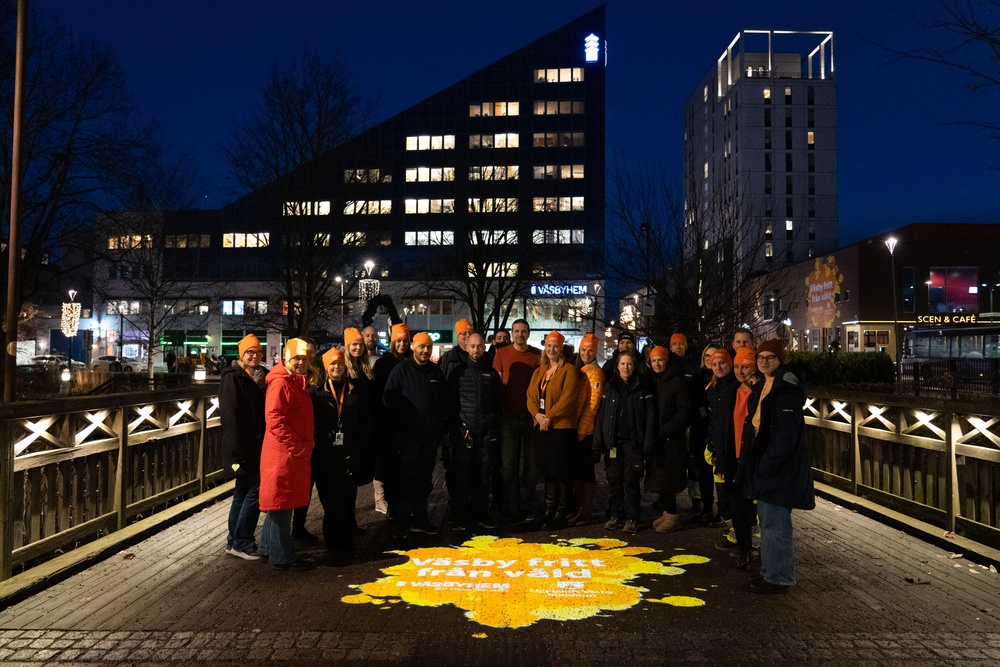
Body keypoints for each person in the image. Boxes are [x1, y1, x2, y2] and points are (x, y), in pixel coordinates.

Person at [738, 339, 815, 594]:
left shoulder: (785, 391)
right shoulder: (766, 385)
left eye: (771, 357)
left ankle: (779, 577)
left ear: (780, 360)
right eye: (761, 357)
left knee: (775, 523)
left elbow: (786, 435)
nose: (764, 361)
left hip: (777, 469)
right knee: (768, 521)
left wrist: (769, 464)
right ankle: (771, 572)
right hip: (767, 464)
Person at [383, 331, 449, 538]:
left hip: (429, 438)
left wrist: (439, 426)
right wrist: (406, 420)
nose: (425, 351)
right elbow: (389, 399)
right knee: (406, 480)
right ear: (414, 347)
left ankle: (420, 519)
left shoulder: (435, 372)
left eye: (428, 347)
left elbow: (442, 402)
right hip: (408, 437)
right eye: (421, 347)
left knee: (424, 480)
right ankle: (402, 522)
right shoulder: (400, 370)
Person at [259, 338, 315, 571]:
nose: (301, 363)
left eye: (304, 359)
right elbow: (275, 419)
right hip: (285, 453)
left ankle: (267, 547)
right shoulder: (282, 383)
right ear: (287, 358)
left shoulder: (291, 381)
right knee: (282, 504)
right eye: (296, 359)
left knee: (278, 503)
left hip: (286, 452)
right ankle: (282, 555)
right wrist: (297, 446)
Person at [593, 350, 656, 534]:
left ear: (634, 366)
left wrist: (648, 445)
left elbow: (650, 417)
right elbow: (602, 415)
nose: (625, 367)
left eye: (629, 364)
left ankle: (633, 517)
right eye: (622, 364)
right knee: (614, 480)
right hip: (613, 442)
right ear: (617, 366)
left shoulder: (643, 387)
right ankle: (616, 515)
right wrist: (598, 443)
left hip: (633, 443)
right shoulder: (610, 386)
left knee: (631, 480)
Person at [310, 347, 362, 559]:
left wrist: (356, 446)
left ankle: (346, 541)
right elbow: (312, 424)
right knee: (331, 503)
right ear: (325, 367)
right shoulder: (315, 392)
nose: (336, 367)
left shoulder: (353, 391)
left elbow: (362, 423)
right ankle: (333, 544)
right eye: (332, 364)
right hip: (325, 456)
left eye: (339, 364)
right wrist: (323, 443)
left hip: (348, 454)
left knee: (347, 500)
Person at [526, 330, 581, 529]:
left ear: (561, 349)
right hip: (542, 427)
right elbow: (530, 397)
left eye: (555, 346)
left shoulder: (569, 371)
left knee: (562, 470)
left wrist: (549, 416)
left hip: (561, 428)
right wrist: (537, 416)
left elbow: (568, 398)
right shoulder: (539, 371)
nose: (551, 349)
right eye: (548, 346)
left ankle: (561, 512)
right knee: (548, 470)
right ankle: (549, 510)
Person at [447, 333, 502, 530]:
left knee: (483, 476)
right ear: (467, 347)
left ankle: (481, 514)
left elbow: (497, 403)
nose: (476, 350)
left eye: (479, 346)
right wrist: (456, 429)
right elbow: (451, 404)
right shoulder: (457, 373)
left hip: (486, 434)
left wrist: (493, 428)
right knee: (460, 477)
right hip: (464, 434)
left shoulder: (492, 374)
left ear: (484, 347)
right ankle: (459, 517)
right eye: (472, 346)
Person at [219, 334, 266, 560]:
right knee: (256, 489)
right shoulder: (232, 378)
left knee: (242, 492)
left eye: (258, 352)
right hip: (243, 446)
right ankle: (243, 542)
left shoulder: (258, 376)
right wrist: (236, 452)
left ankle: (233, 542)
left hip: (255, 444)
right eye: (250, 352)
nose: (255, 356)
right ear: (242, 355)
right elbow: (229, 416)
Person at [714, 346, 761, 569]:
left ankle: (754, 549)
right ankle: (744, 549)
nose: (741, 371)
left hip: (750, 457)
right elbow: (723, 428)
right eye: (737, 367)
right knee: (735, 505)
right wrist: (721, 461)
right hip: (733, 457)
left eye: (746, 366)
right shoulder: (732, 391)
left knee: (750, 506)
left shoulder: (759, 392)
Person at [492, 318, 541, 523]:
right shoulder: (501, 354)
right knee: (508, 466)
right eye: (516, 331)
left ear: (528, 333)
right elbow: (496, 384)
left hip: (532, 418)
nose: (520, 334)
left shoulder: (537, 355)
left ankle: (526, 506)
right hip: (509, 417)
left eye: (523, 331)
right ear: (512, 334)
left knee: (532, 465)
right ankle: (510, 506)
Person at [646, 345, 692, 534]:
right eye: (654, 360)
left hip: (670, 439)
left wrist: (665, 429)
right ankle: (666, 513)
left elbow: (685, 412)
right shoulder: (655, 381)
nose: (657, 363)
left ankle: (672, 516)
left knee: (668, 479)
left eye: (660, 360)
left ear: (667, 361)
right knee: (660, 478)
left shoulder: (677, 382)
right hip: (659, 438)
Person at [674, 333, 716, 522]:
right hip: (699, 428)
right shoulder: (699, 375)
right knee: (702, 469)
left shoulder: (721, 378)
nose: (710, 360)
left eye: (714, 357)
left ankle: (717, 510)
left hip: (713, 429)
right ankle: (707, 507)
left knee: (716, 472)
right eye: (707, 356)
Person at [372, 323, 411, 515]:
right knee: (390, 468)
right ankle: (391, 506)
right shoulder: (383, 364)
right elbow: (381, 396)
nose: (402, 344)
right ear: (393, 342)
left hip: (406, 425)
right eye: (399, 340)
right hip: (388, 423)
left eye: (405, 341)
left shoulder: (411, 362)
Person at [568, 333, 604, 526]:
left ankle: (586, 512)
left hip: (586, 433)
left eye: (590, 350)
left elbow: (593, 405)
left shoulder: (595, 373)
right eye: (583, 349)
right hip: (579, 430)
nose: (586, 353)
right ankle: (579, 510)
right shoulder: (582, 370)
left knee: (586, 472)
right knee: (579, 472)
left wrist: (581, 431)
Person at [343, 327, 377, 518]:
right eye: (354, 345)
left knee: (354, 479)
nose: (358, 348)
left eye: (360, 345)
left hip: (362, 433)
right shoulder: (343, 370)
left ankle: (350, 518)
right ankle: (346, 519)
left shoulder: (364, 371)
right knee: (346, 481)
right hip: (350, 433)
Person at [439, 318, 475, 382]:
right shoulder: (447, 358)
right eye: (464, 333)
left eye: (470, 333)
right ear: (457, 337)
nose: (468, 335)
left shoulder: (482, 356)